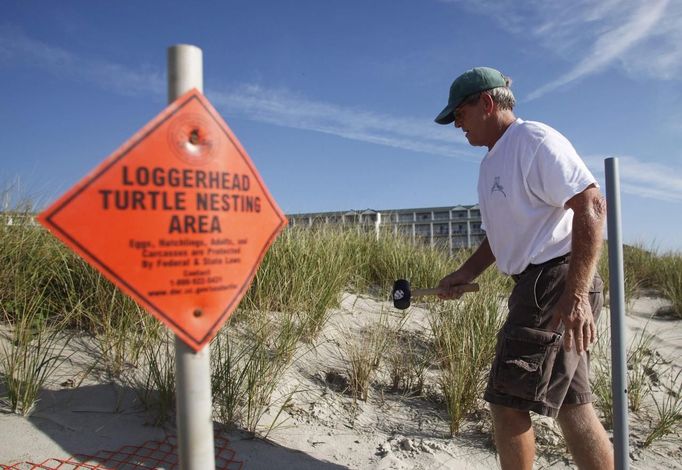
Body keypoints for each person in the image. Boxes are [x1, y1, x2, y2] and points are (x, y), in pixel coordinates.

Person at [434, 67, 614, 470]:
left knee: (505, 400)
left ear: (486, 103)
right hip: (544, 283)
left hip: (555, 281)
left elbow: (590, 205)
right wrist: (467, 272)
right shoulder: (489, 165)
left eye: (459, 113)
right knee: (572, 405)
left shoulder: (532, 140)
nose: (456, 124)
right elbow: (502, 234)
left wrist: (576, 294)